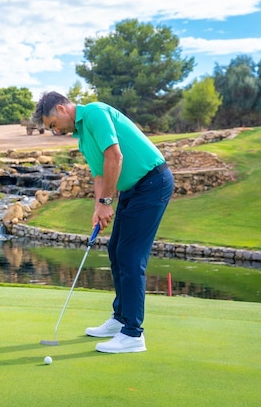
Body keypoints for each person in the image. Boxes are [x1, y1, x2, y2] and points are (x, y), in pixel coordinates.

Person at [31, 92, 174, 353]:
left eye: (52, 124)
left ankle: (133, 334)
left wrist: (107, 202)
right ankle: (120, 319)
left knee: (130, 257)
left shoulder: (95, 112)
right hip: (133, 189)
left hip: (153, 183)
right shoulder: (83, 138)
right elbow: (99, 175)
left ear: (62, 109)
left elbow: (115, 157)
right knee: (115, 250)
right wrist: (99, 206)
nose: (54, 131)